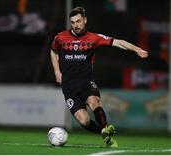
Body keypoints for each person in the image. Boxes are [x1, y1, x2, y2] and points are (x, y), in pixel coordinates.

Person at [50, 6, 148, 147]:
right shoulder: (60, 37)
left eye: (78, 21)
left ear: (85, 20)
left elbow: (118, 42)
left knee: (94, 101)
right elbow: (53, 52)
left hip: (86, 81)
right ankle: (103, 132)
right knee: (83, 120)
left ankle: (106, 129)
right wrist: (57, 72)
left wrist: (137, 49)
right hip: (69, 85)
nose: (75, 25)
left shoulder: (94, 38)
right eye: (73, 22)